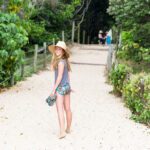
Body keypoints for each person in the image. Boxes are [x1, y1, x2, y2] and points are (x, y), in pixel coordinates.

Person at [48, 41, 74, 139]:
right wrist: (69, 87)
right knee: (67, 108)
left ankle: (62, 132)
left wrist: (53, 90)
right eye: (57, 48)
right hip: (66, 87)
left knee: (60, 110)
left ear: (63, 51)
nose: (57, 50)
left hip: (60, 88)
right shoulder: (64, 61)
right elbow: (67, 75)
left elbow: (59, 76)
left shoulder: (60, 62)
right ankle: (68, 129)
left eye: (60, 49)